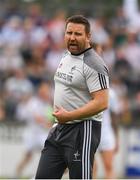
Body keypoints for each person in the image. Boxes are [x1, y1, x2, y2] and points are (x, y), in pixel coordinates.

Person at [35, 15, 109, 179]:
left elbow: (102, 102)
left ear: (88, 36)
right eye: (69, 33)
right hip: (59, 128)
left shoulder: (94, 64)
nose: (72, 38)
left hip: (82, 130)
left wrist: (69, 116)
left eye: (78, 34)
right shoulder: (66, 55)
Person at [15, 81, 54, 178]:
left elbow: (50, 119)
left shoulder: (48, 104)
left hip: (42, 135)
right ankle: (15, 175)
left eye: (47, 89)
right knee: (28, 157)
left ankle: (38, 176)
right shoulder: (33, 102)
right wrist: (48, 124)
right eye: (44, 89)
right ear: (40, 90)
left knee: (48, 155)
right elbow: (37, 118)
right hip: (32, 134)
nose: (46, 91)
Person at [93, 87, 121, 179]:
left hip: (106, 134)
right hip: (90, 133)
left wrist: (116, 138)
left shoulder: (110, 93)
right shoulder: (86, 90)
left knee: (109, 166)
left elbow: (115, 117)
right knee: (91, 168)